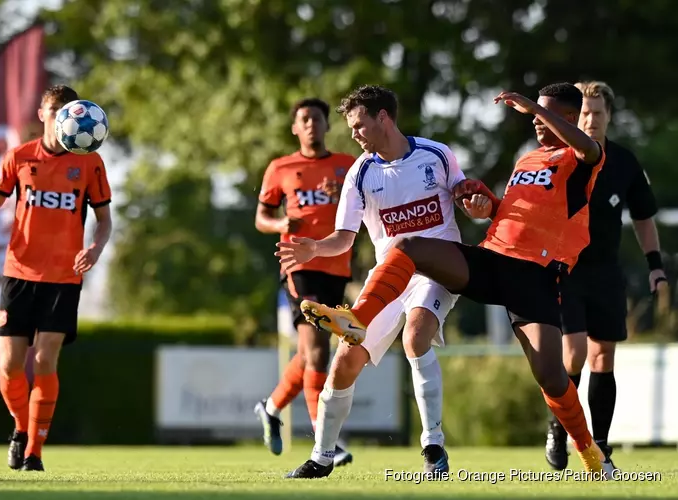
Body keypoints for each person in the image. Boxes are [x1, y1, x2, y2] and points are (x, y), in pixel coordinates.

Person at [284, 83, 612, 475]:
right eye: (536, 116)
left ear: (569, 118)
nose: (537, 122)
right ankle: (328, 438)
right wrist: (484, 203)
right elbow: (507, 214)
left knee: (552, 377)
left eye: (547, 115)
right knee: (406, 249)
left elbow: (588, 150)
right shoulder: (526, 161)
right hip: (492, 260)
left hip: (536, 277)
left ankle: (591, 454)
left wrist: (533, 109)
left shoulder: (582, 157)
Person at [276, 85, 487, 479]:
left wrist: (475, 206)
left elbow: (465, 199)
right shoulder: (361, 172)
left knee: (416, 334)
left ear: (383, 118)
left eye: (359, 125)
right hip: (390, 276)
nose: (354, 133)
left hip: (437, 270)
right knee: (345, 360)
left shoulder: (436, 155)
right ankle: (322, 457)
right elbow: (343, 238)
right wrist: (313, 250)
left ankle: (433, 447)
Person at [0, 85, 113, 472]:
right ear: (43, 114)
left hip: (64, 277)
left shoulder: (90, 163)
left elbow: (104, 220)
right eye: (56, 109)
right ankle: (20, 428)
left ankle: (34, 451)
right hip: (19, 274)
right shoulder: (18, 157)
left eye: (69, 109)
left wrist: (96, 249)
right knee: (10, 368)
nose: (63, 115)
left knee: (46, 360)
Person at [545, 81, 669, 473]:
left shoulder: (625, 162)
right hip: (566, 271)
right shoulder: (558, 158)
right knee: (575, 352)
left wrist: (655, 267)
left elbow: (644, 217)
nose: (590, 120)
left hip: (605, 273)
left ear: (609, 116)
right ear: (572, 117)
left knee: (603, 355)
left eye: (597, 113)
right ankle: (558, 429)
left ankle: (600, 445)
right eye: (583, 113)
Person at [253, 98, 356, 466]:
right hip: (297, 264)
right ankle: (324, 443)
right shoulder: (281, 168)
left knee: (310, 353)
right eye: (304, 119)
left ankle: (270, 407)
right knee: (317, 352)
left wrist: (341, 197)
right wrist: (281, 224)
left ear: (328, 125)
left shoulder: (348, 167)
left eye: (317, 118)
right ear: (295, 128)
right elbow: (262, 218)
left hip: (336, 266)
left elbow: (367, 206)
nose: (311, 124)